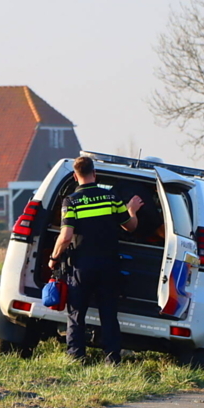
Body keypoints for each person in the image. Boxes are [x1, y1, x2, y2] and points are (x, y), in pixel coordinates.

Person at [48, 156, 143, 365]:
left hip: (82, 266)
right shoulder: (111, 197)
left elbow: (65, 236)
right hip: (109, 265)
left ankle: (76, 357)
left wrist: (54, 258)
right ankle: (112, 358)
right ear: (95, 173)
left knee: (76, 314)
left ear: (75, 176)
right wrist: (131, 210)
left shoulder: (71, 201)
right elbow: (131, 226)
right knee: (108, 314)